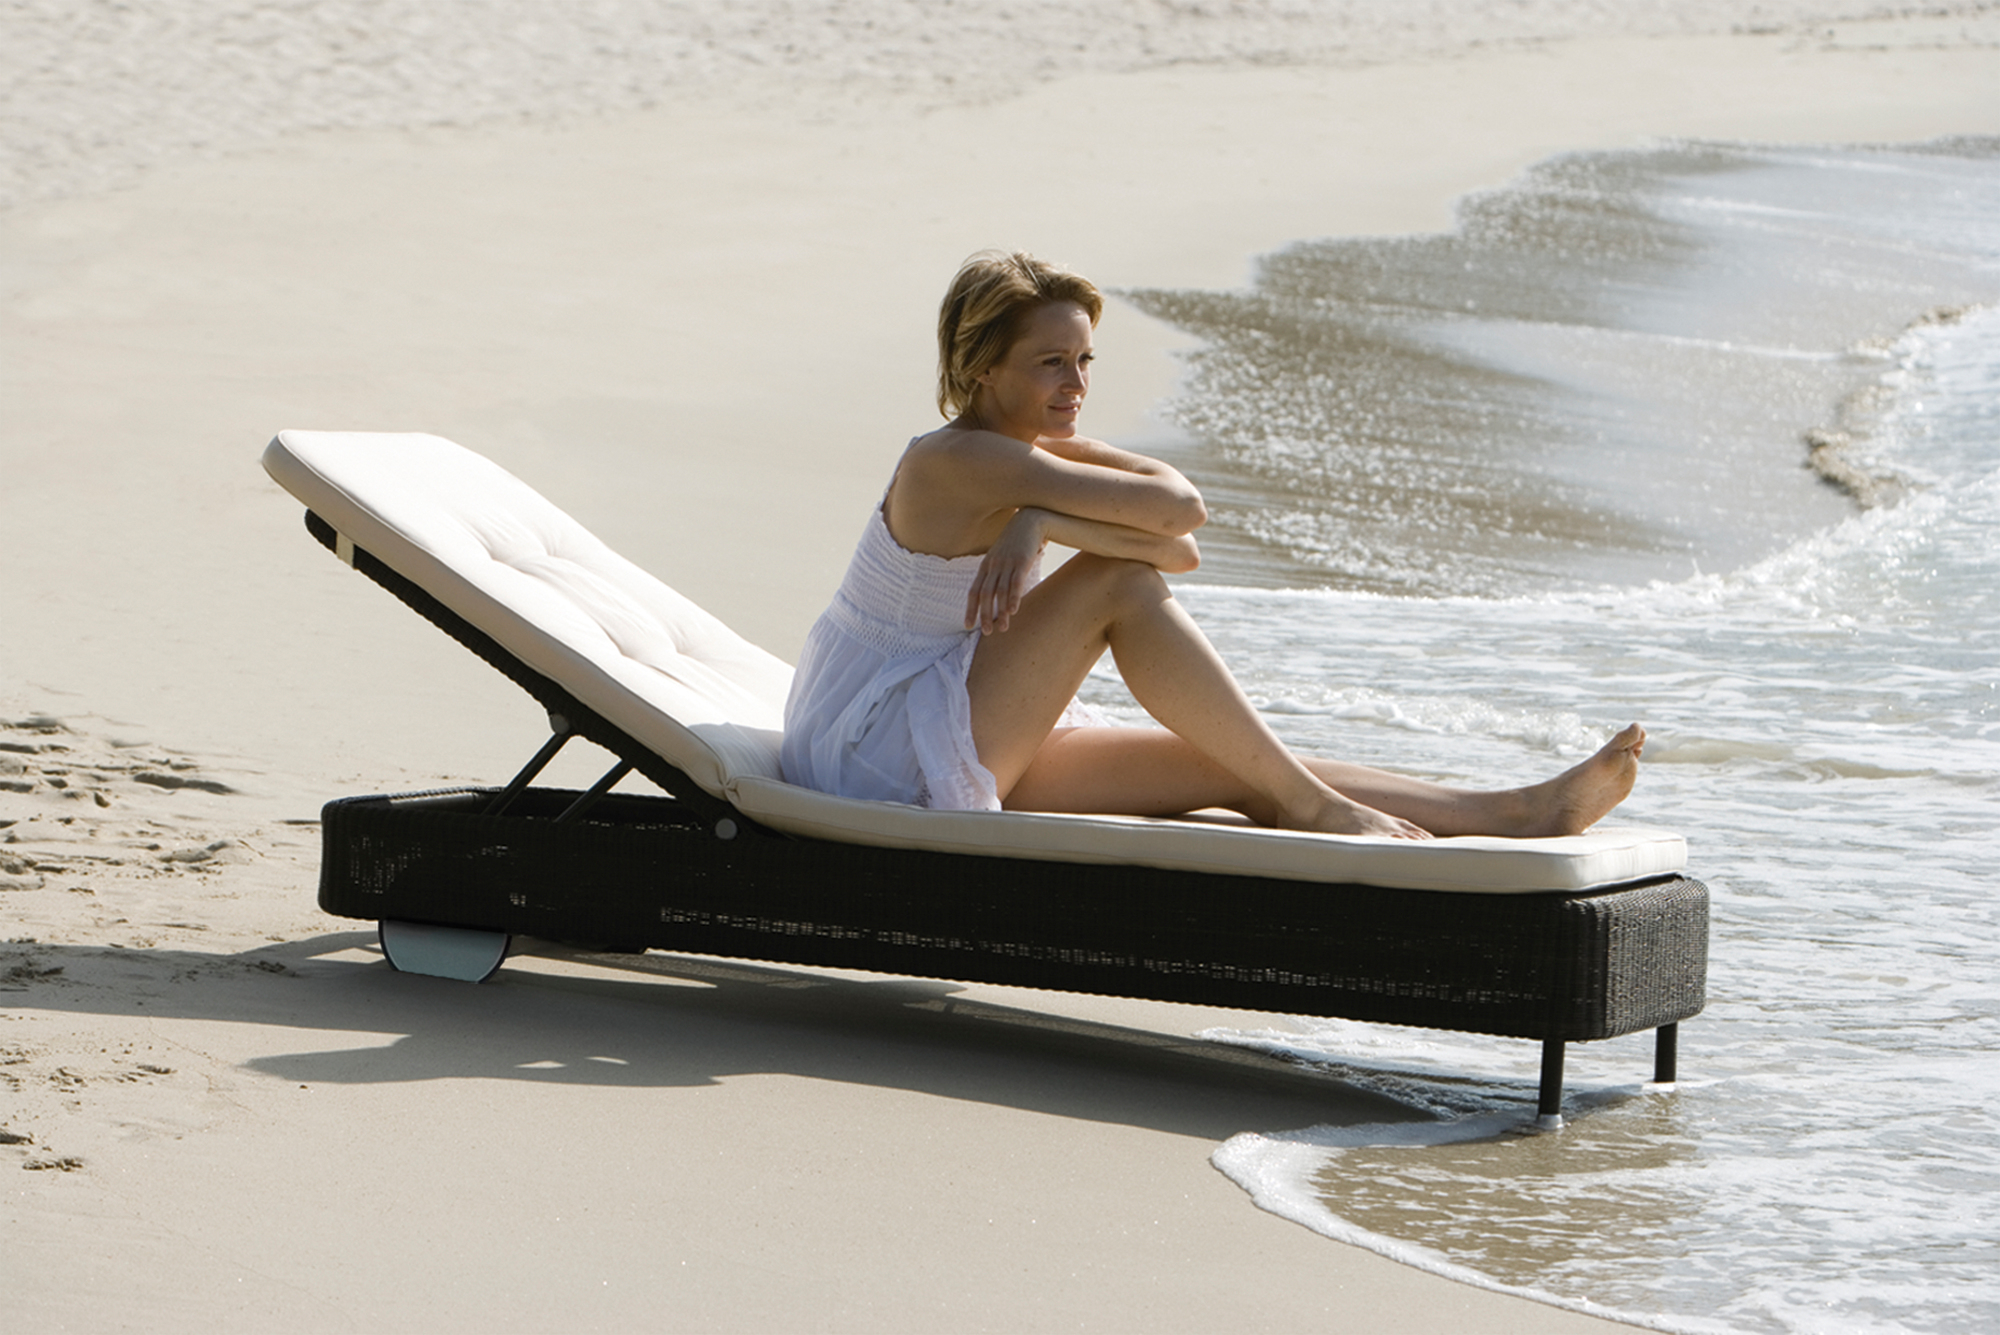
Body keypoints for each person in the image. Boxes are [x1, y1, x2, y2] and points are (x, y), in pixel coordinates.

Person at [781, 249, 1644, 839]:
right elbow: (1168, 530)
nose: (1077, 384)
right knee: (1118, 589)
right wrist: (1046, 516)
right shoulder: (959, 460)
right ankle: (1315, 807)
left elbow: (1177, 536)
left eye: (1084, 359)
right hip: (881, 743)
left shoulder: (1031, 461)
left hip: (950, 708)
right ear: (982, 371)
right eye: (1052, 363)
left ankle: (1520, 810)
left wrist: (1040, 522)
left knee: (1235, 763)